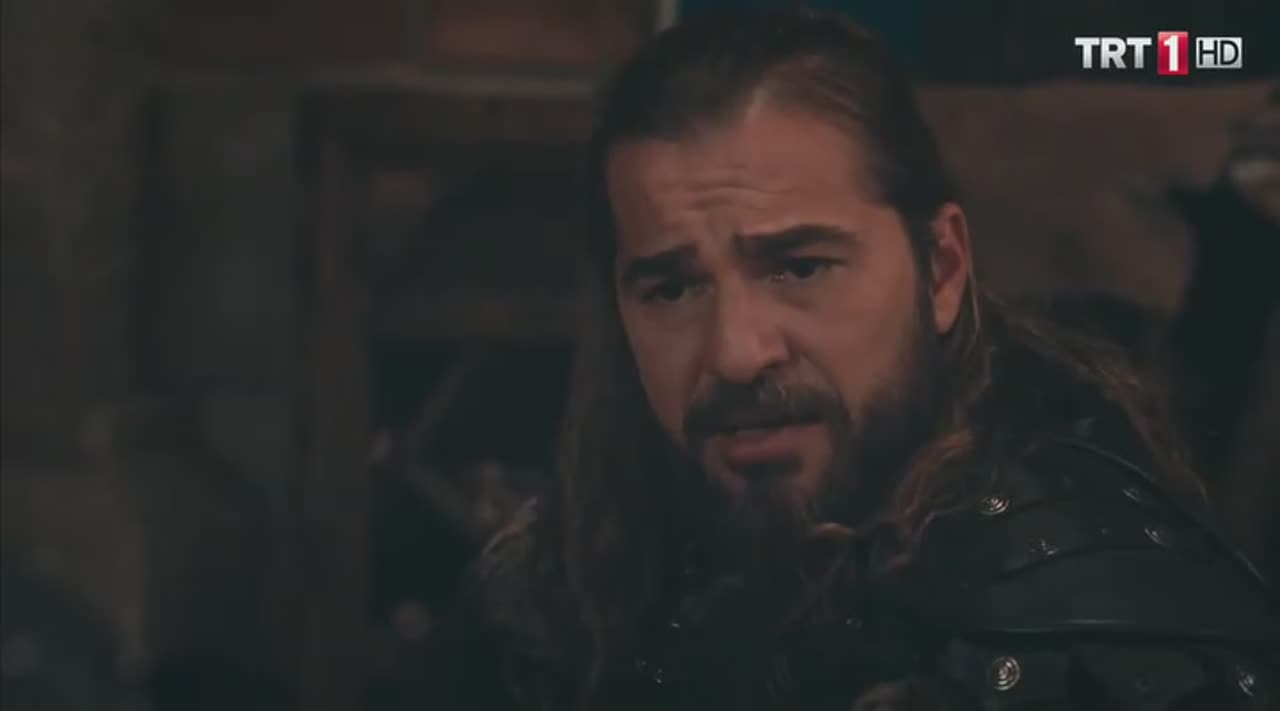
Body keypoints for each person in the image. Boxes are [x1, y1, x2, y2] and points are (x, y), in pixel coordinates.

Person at [429, 9, 1278, 710]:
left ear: (941, 270)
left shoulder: (1092, 640)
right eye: (672, 289)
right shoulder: (557, 594)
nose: (736, 353)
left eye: (800, 268)